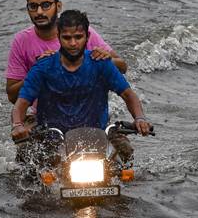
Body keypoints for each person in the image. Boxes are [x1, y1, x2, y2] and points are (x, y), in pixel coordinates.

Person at [11, 10, 151, 163]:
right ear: (58, 37)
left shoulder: (101, 64)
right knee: (27, 160)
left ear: (87, 37)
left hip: (98, 136)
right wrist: (17, 125)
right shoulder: (43, 67)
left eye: (78, 37)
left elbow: (128, 95)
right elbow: (21, 104)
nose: (72, 43)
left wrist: (140, 118)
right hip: (52, 138)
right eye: (67, 38)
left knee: (126, 155)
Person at [5, 0, 127, 109]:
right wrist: (39, 70)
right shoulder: (21, 41)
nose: (39, 12)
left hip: (86, 110)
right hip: (44, 115)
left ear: (58, 6)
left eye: (46, 5)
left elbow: (122, 67)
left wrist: (100, 59)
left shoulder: (80, 33)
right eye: (33, 6)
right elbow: (12, 97)